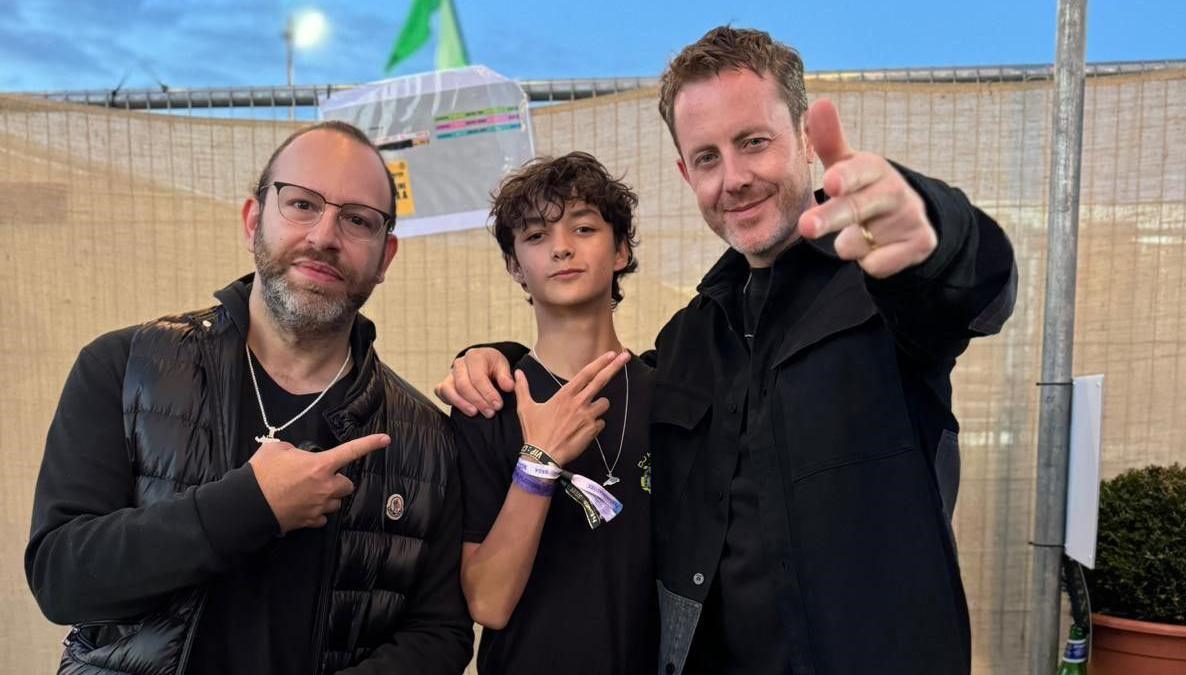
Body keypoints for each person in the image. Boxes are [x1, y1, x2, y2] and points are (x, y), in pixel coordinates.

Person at [434, 26, 1018, 675]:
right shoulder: (690, 338)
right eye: (707, 157)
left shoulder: (880, 283)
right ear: (687, 173)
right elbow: (598, 378)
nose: (734, 178)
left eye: (753, 143)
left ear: (801, 139)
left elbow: (978, 290)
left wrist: (938, 227)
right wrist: (493, 355)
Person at [26, 120, 474, 674]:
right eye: (302, 204)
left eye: (358, 220)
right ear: (253, 219)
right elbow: (61, 581)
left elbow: (440, 634)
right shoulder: (123, 368)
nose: (324, 235)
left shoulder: (426, 436)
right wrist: (250, 507)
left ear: (385, 257)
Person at [453, 152, 657, 675]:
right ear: (516, 266)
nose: (562, 247)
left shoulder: (671, 398)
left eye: (584, 228)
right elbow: (488, 603)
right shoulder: (488, 402)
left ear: (620, 250)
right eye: (537, 236)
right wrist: (537, 465)